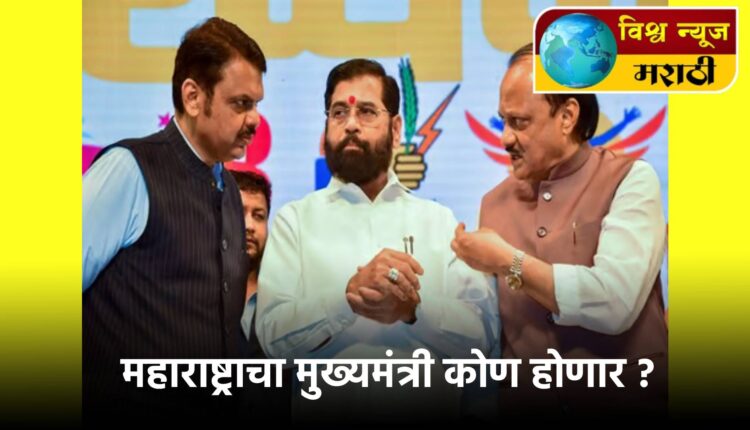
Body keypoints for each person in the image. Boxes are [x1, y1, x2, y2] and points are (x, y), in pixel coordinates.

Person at [255, 59, 498, 424]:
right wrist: (347, 298)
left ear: (396, 129)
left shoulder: (439, 222)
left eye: (366, 112)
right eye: (339, 112)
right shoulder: (296, 221)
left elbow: (482, 338)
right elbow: (271, 339)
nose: (351, 124)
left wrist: (414, 311)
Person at [451, 43, 668, 417]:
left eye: (519, 122)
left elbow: (615, 303)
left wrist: (509, 261)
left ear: (567, 116)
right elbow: (484, 333)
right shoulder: (493, 204)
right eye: (503, 121)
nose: (504, 138)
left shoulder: (631, 180)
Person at [82, 17, 266, 423]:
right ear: (193, 97)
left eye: (257, 104)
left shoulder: (229, 190)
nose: (255, 119)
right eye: (241, 104)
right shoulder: (128, 169)